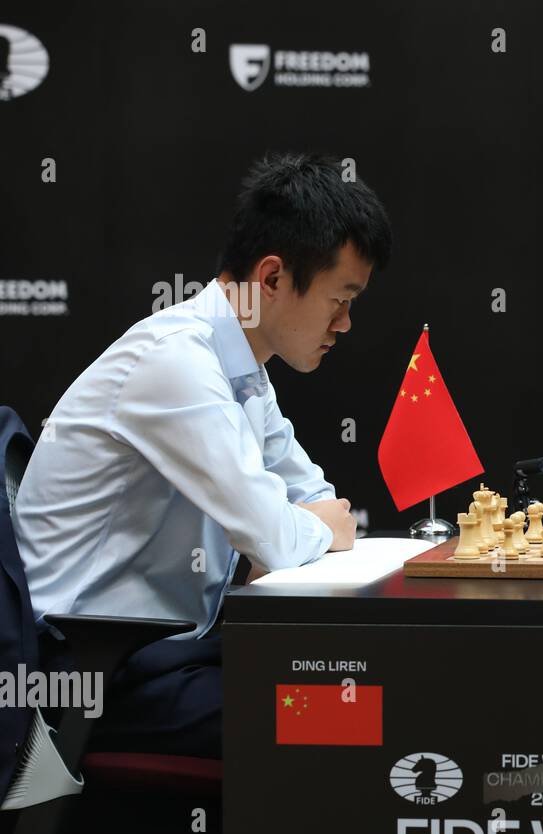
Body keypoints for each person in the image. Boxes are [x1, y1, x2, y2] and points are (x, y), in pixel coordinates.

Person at [14, 152, 392, 758]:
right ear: (272, 278)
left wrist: (307, 526)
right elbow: (279, 533)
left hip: (164, 651)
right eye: (339, 299)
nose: (345, 323)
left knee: (369, 690)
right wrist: (307, 529)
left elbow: (313, 500)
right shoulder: (175, 362)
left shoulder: (243, 369)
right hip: (87, 673)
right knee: (346, 720)